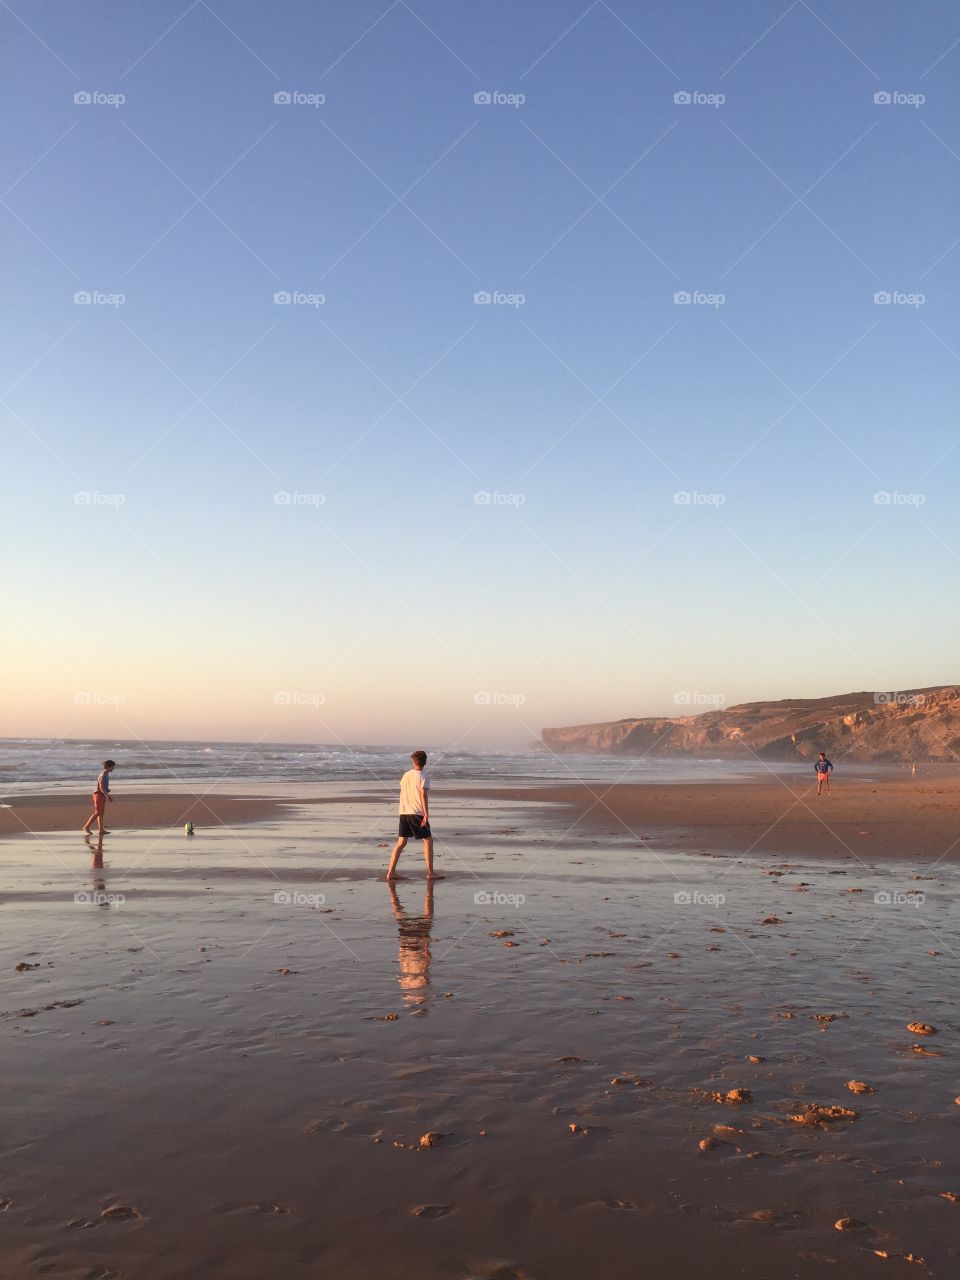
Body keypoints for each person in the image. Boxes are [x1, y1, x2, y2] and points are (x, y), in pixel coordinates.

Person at [386, 750, 443, 881]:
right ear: (425, 762)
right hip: (416, 812)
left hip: (403, 812)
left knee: (401, 842)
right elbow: (423, 795)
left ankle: (391, 871)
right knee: (428, 840)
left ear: (413, 761)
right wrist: (426, 814)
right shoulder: (423, 776)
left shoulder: (406, 775)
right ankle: (430, 872)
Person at [82, 759, 116, 836]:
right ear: (108, 767)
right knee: (97, 812)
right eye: (112, 767)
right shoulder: (103, 775)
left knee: (101, 813)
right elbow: (101, 787)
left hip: (102, 794)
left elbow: (103, 787)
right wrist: (107, 796)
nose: (113, 768)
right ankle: (86, 827)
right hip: (98, 794)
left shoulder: (107, 774)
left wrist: (107, 790)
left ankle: (101, 830)